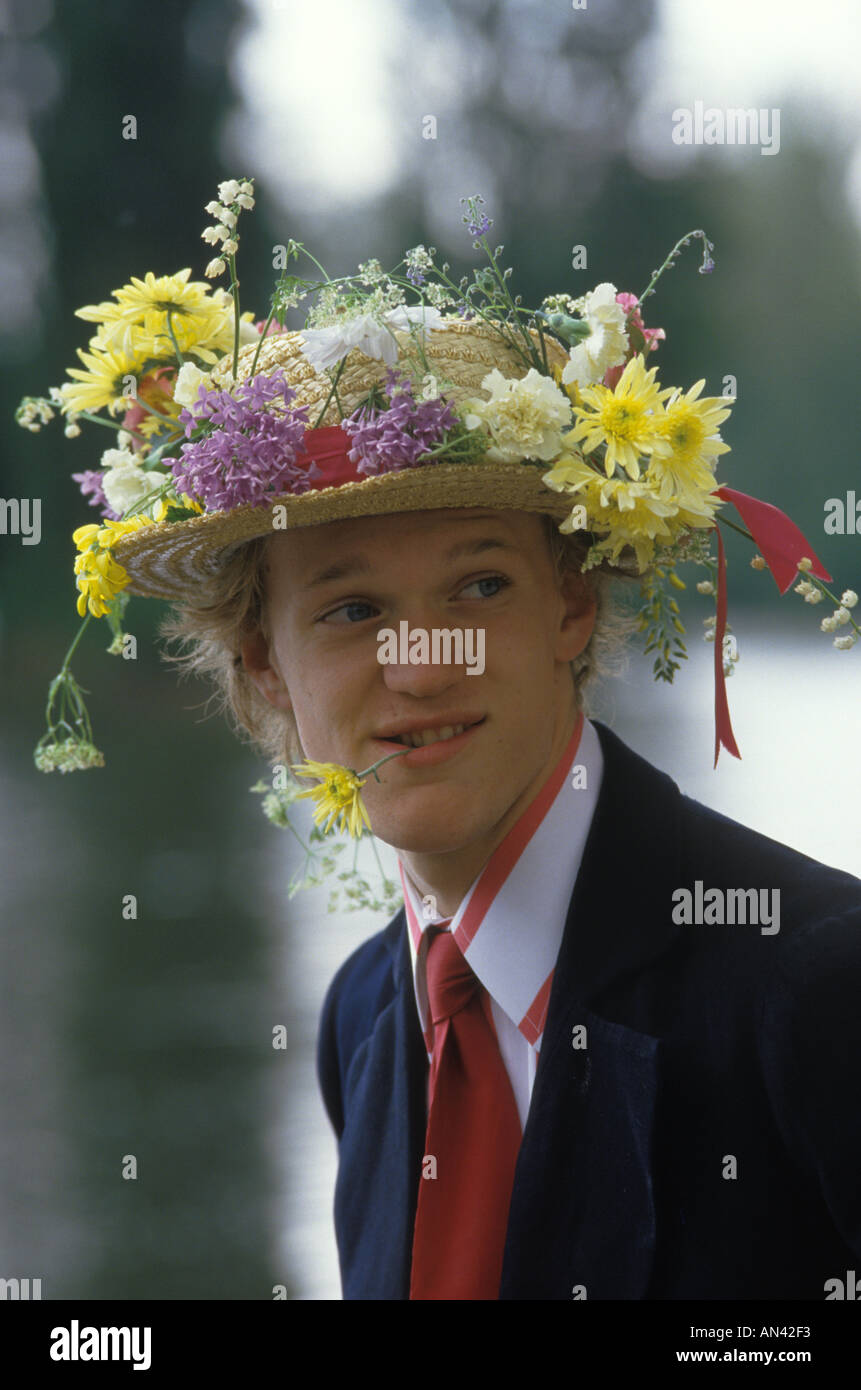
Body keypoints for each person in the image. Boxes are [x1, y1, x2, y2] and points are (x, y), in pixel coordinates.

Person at [29, 188, 861, 1300]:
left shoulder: (815, 985)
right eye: (352, 609)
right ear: (263, 663)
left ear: (570, 604)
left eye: (479, 585)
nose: (421, 663)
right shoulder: (363, 1019)